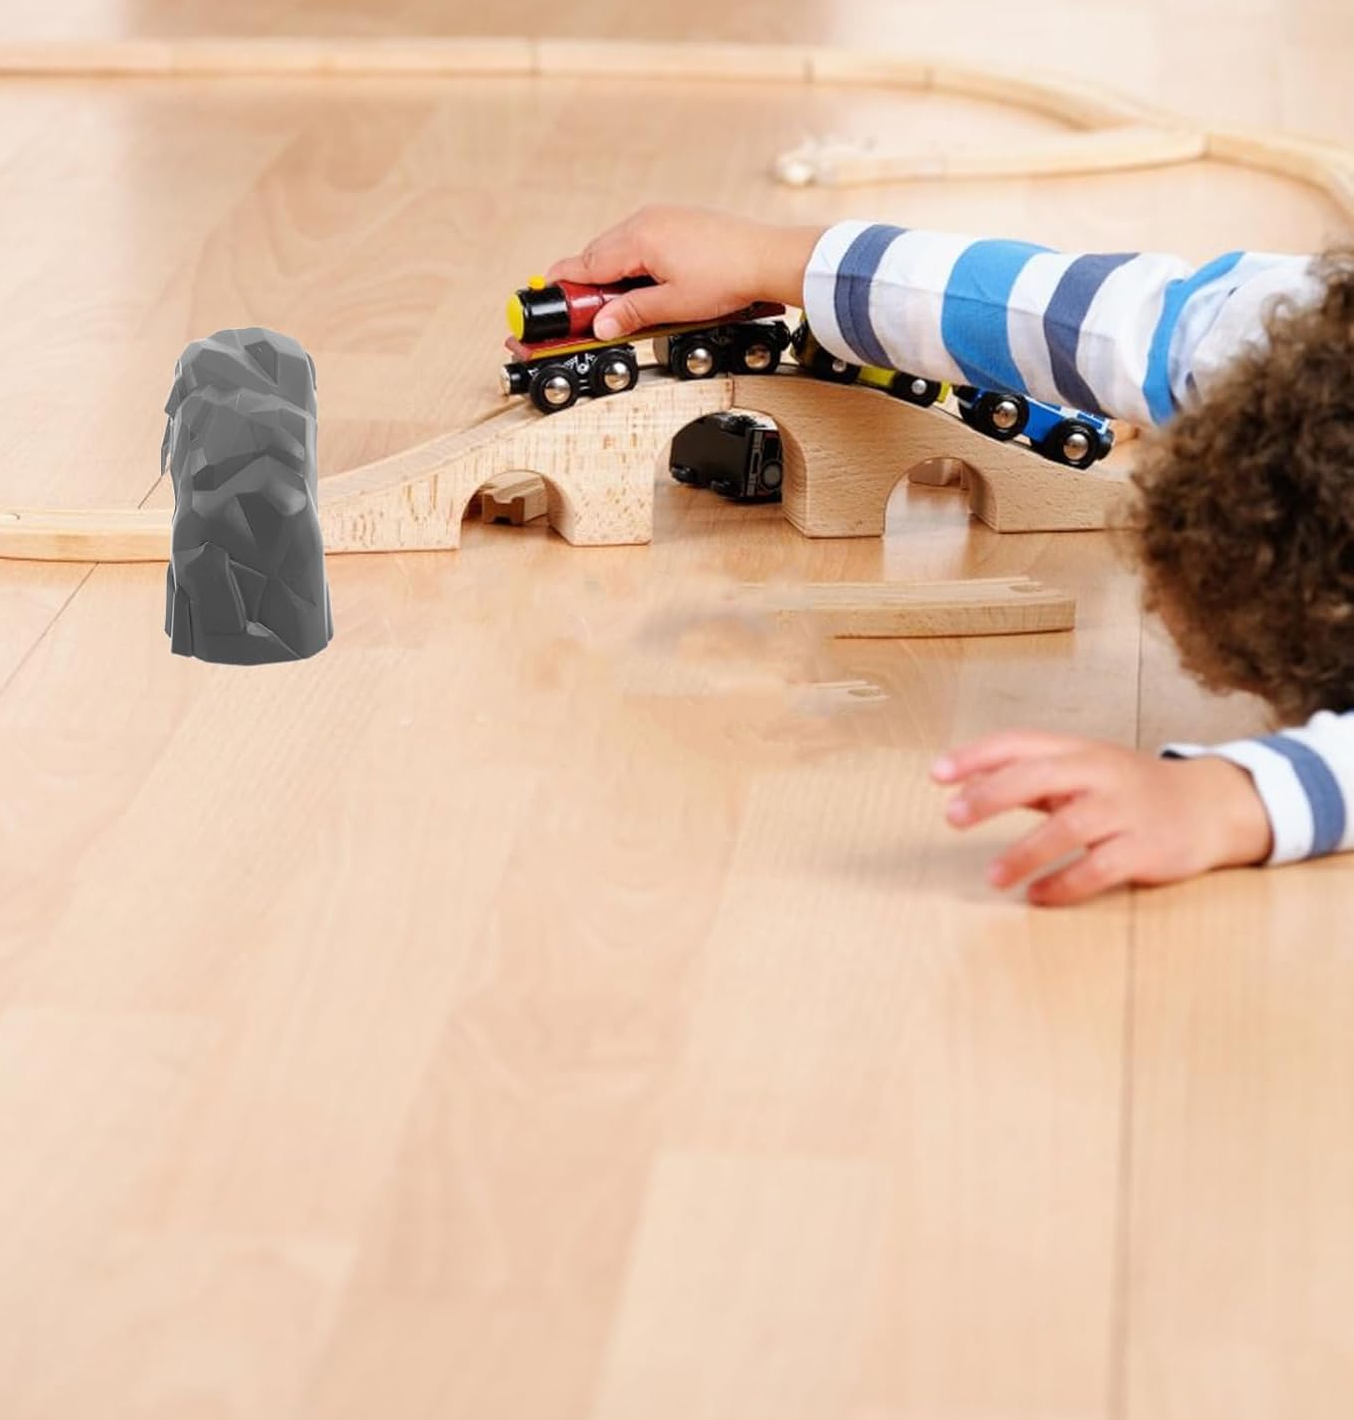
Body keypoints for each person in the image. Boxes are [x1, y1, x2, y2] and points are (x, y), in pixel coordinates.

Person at [545, 206, 1354, 904]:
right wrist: (767, 260)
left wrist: (1233, 799)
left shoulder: (1258, 338)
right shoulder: (1243, 337)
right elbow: (1057, 316)